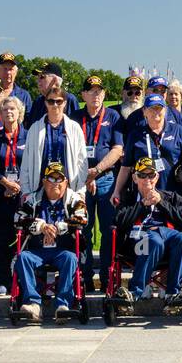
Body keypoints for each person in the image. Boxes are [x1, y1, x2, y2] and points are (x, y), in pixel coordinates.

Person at [113, 158, 182, 311]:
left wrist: (161, 203)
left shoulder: (171, 197)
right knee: (154, 240)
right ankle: (134, 292)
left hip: (168, 238)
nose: (147, 179)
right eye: (142, 175)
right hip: (138, 240)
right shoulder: (128, 198)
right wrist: (142, 204)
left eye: (151, 175)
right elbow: (120, 222)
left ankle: (173, 294)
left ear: (157, 177)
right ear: (135, 178)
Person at [14, 162, 87, 322]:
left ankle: (63, 305)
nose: (55, 183)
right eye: (51, 179)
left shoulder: (74, 199)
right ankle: (33, 304)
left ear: (66, 182)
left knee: (70, 259)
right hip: (38, 250)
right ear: (44, 181)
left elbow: (82, 219)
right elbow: (18, 218)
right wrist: (41, 226)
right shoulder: (33, 199)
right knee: (23, 258)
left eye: (59, 179)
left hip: (63, 250)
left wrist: (57, 227)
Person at [75, 76, 123, 293]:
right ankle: (84, 278)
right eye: (91, 91)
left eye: (99, 91)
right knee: (82, 230)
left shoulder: (113, 116)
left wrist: (97, 171)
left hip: (106, 179)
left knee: (107, 230)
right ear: (83, 95)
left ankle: (106, 277)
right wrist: (86, 175)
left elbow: (117, 149)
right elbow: (71, 149)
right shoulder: (74, 118)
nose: (96, 95)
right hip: (80, 180)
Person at [0, 95, 26, 295]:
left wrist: (19, 184)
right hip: (2, 195)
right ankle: (3, 280)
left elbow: (33, 164)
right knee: (2, 240)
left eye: (13, 109)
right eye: (5, 109)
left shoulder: (29, 136)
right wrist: (5, 182)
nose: (9, 112)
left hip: (24, 195)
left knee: (25, 237)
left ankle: (26, 280)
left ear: (20, 113)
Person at [114, 94, 182, 205]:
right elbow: (125, 167)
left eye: (159, 108)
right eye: (152, 108)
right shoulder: (135, 135)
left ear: (165, 110)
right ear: (144, 111)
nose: (156, 112)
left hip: (173, 193)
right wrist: (116, 191)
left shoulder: (178, 131)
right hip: (145, 195)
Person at [21, 85, 87, 196]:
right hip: (40, 188)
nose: (55, 105)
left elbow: (82, 162)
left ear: (65, 103)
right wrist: (26, 191)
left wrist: (80, 191)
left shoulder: (74, 128)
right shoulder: (35, 128)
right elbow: (26, 162)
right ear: (46, 103)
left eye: (59, 101)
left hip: (68, 188)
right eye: (51, 101)